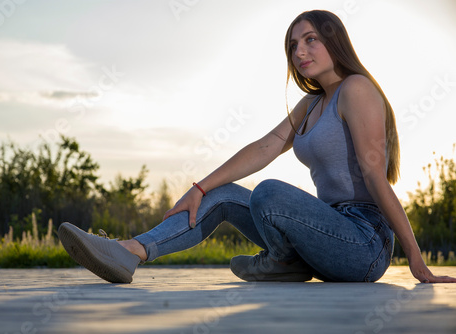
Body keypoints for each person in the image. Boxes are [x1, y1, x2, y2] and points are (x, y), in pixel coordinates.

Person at [58, 10, 456, 284]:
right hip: (325, 229)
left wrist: (416, 260)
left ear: (335, 41)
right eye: (293, 45)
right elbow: (265, 147)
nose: (299, 52)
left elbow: (375, 176)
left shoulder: (358, 89)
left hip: (363, 242)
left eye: (310, 40)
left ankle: (284, 262)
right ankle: (130, 252)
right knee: (221, 195)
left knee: (269, 191)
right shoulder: (310, 104)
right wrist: (198, 188)